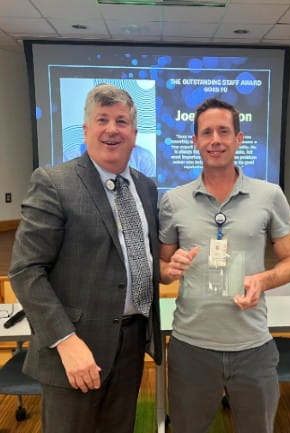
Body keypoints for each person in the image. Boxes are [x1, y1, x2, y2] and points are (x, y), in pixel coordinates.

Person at [8, 83, 162, 433]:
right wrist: (65, 341)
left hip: (131, 343)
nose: (112, 129)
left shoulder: (146, 188)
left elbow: (136, 257)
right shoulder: (54, 182)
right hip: (74, 348)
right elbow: (26, 270)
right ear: (86, 130)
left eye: (121, 121)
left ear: (134, 133)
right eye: (102, 119)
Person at [159, 97, 290, 433]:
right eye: (206, 133)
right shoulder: (173, 201)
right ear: (194, 142)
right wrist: (170, 268)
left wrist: (263, 281)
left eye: (224, 131)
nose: (215, 140)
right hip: (191, 347)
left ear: (239, 139)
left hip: (252, 346)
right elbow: (161, 269)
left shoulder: (269, 195)